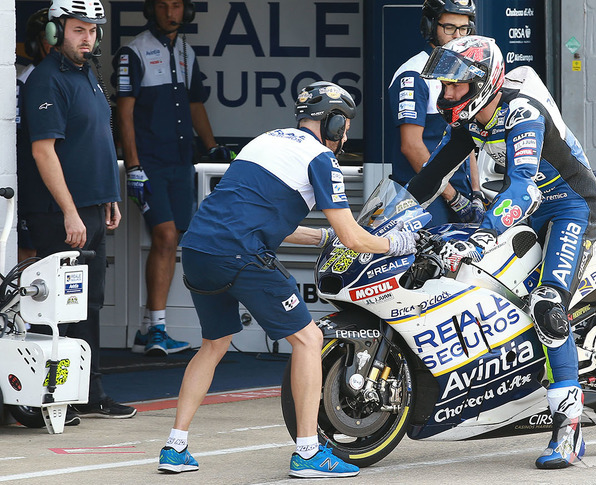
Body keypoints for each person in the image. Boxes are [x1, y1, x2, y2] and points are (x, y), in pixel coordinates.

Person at [157, 81, 417, 478]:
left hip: (198, 249)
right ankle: (309, 453)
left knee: (213, 345)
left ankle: (175, 447)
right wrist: (397, 242)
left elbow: (253, 213)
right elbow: (354, 238)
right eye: (344, 125)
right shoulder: (320, 159)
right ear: (331, 124)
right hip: (240, 254)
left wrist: (320, 236)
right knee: (309, 339)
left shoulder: (263, 142)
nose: (345, 134)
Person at [406, 35, 596, 469]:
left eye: (455, 85)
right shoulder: (473, 121)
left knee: (548, 305)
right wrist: (386, 220)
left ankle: (570, 428)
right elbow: (429, 177)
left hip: (570, 207)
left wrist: (483, 231)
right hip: (526, 210)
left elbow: (523, 186)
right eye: (444, 85)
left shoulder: (521, 112)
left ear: (483, 82)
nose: (446, 93)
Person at [19, 0, 137, 419]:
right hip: (58, 214)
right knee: (57, 310)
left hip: (90, 208)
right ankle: (51, 394)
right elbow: (43, 152)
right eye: (77, 30)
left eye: (92, 31)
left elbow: (93, 141)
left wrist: (107, 197)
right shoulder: (46, 79)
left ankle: (89, 391)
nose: (86, 38)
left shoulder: (86, 73)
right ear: (56, 31)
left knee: (88, 305)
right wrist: (70, 210)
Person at [112, 0, 234, 356]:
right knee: (165, 237)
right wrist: (132, 166)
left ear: (186, 9)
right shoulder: (133, 52)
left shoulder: (186, 51)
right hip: (148, 166)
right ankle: (157, 328)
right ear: (152, 10)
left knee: (174, 239)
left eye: (176, 5)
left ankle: (149, 329)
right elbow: (124, 114)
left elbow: (196, 104)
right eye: (163, 6)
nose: (170, 12)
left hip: (181, 165)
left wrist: (212, 147)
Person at [387, 0, 483, 226]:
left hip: (459, 194)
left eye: (464, 28)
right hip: (424, 197)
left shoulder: (463, 73)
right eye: (449, 27)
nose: (458, 36)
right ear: (431, 27)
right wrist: (454, 199)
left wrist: (476, 192)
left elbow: (466, 138)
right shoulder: (413, 73)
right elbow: (411, 146)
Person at [16, 8, 51, 263]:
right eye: (49, 37)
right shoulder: (22, 83)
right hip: (31, 186)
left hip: (62, 191)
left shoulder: (74, 79)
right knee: (30, 254)